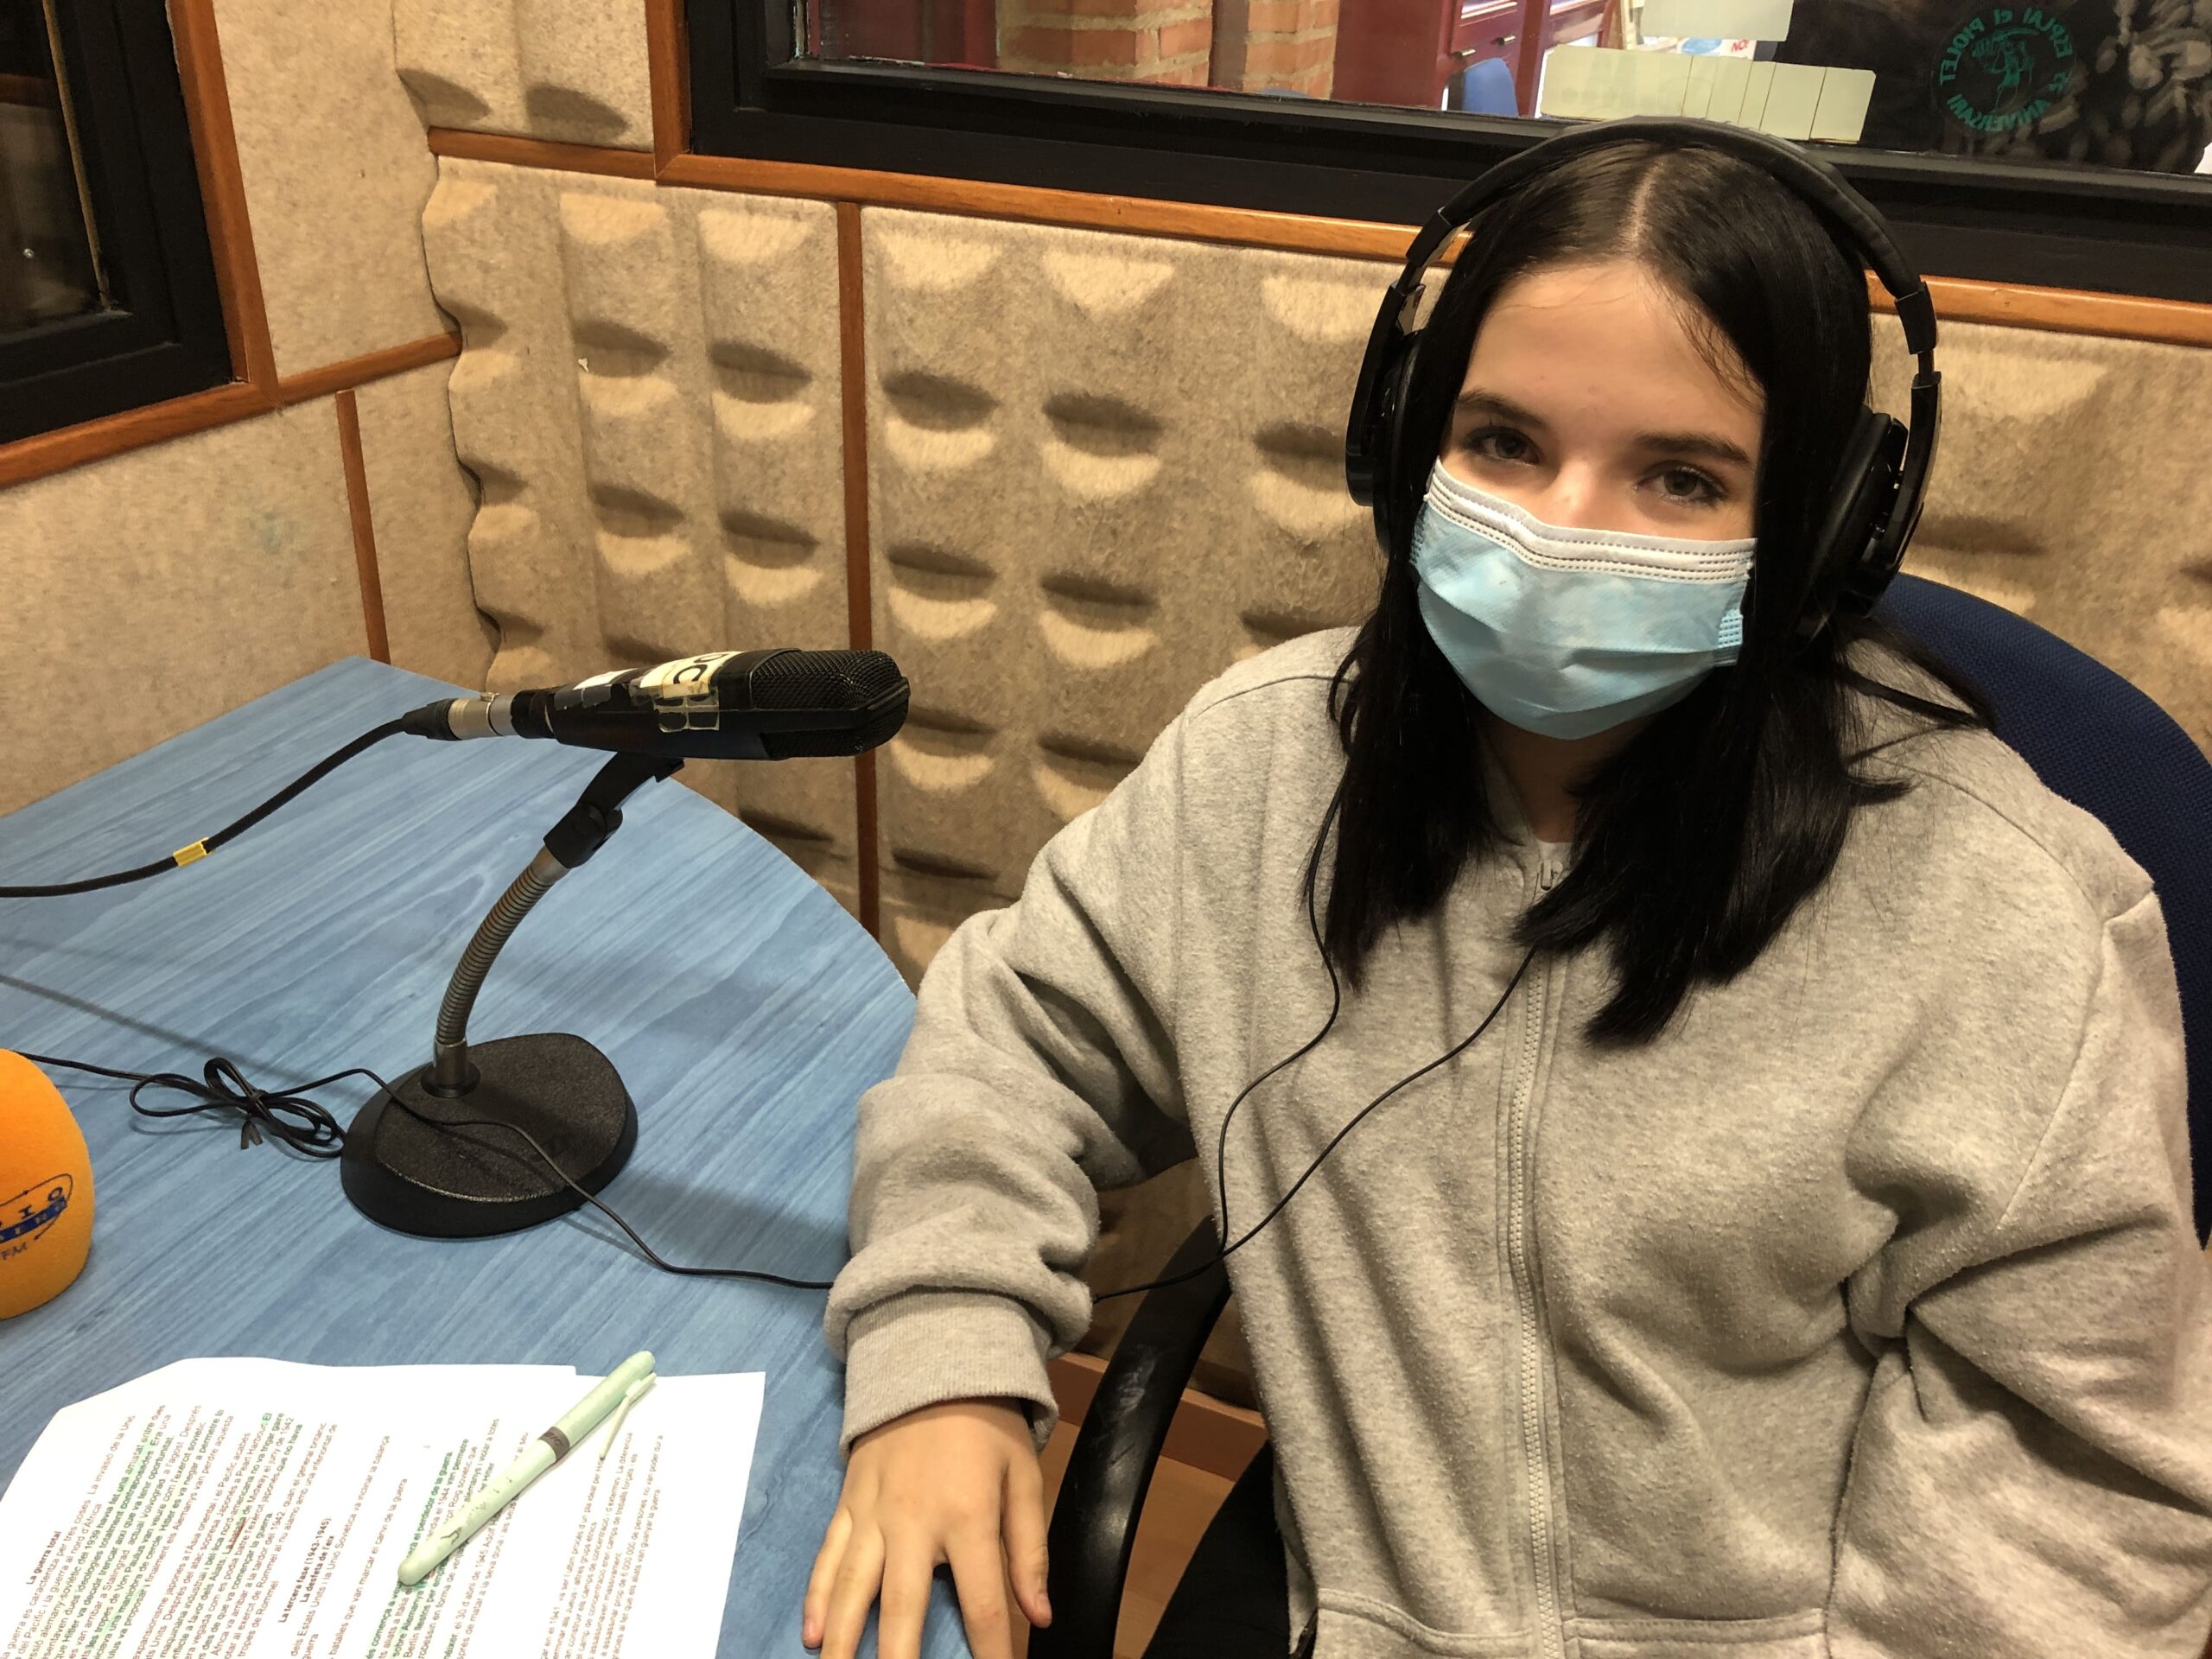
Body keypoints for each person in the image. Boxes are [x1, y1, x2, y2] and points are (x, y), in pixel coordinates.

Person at [802, 123, 2212, 1659]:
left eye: (1682, 477)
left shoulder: (2003, 914)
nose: (1565, 529)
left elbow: (2082, 1501)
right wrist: (942, 1358)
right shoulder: (1261, 771)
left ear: (1817, 530)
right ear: (1406, 443)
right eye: (1506, 444)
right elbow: (1016, 1045)